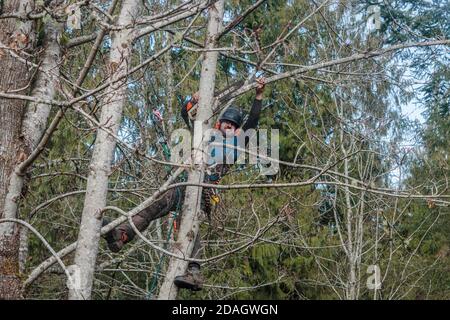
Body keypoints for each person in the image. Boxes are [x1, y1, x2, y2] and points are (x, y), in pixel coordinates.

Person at [102, 77, 267, 291]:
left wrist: (258, 95)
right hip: (185, 184)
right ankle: (122, 235)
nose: (229, 128)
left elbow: (252, 123)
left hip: (204, 190)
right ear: (218, 124)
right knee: (154, 207)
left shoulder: (234, 146)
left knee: (189, 227)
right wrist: (193, 100)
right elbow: (186, 113)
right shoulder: (205, 135)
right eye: (227, 124)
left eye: (234, 126)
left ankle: (195, 272)